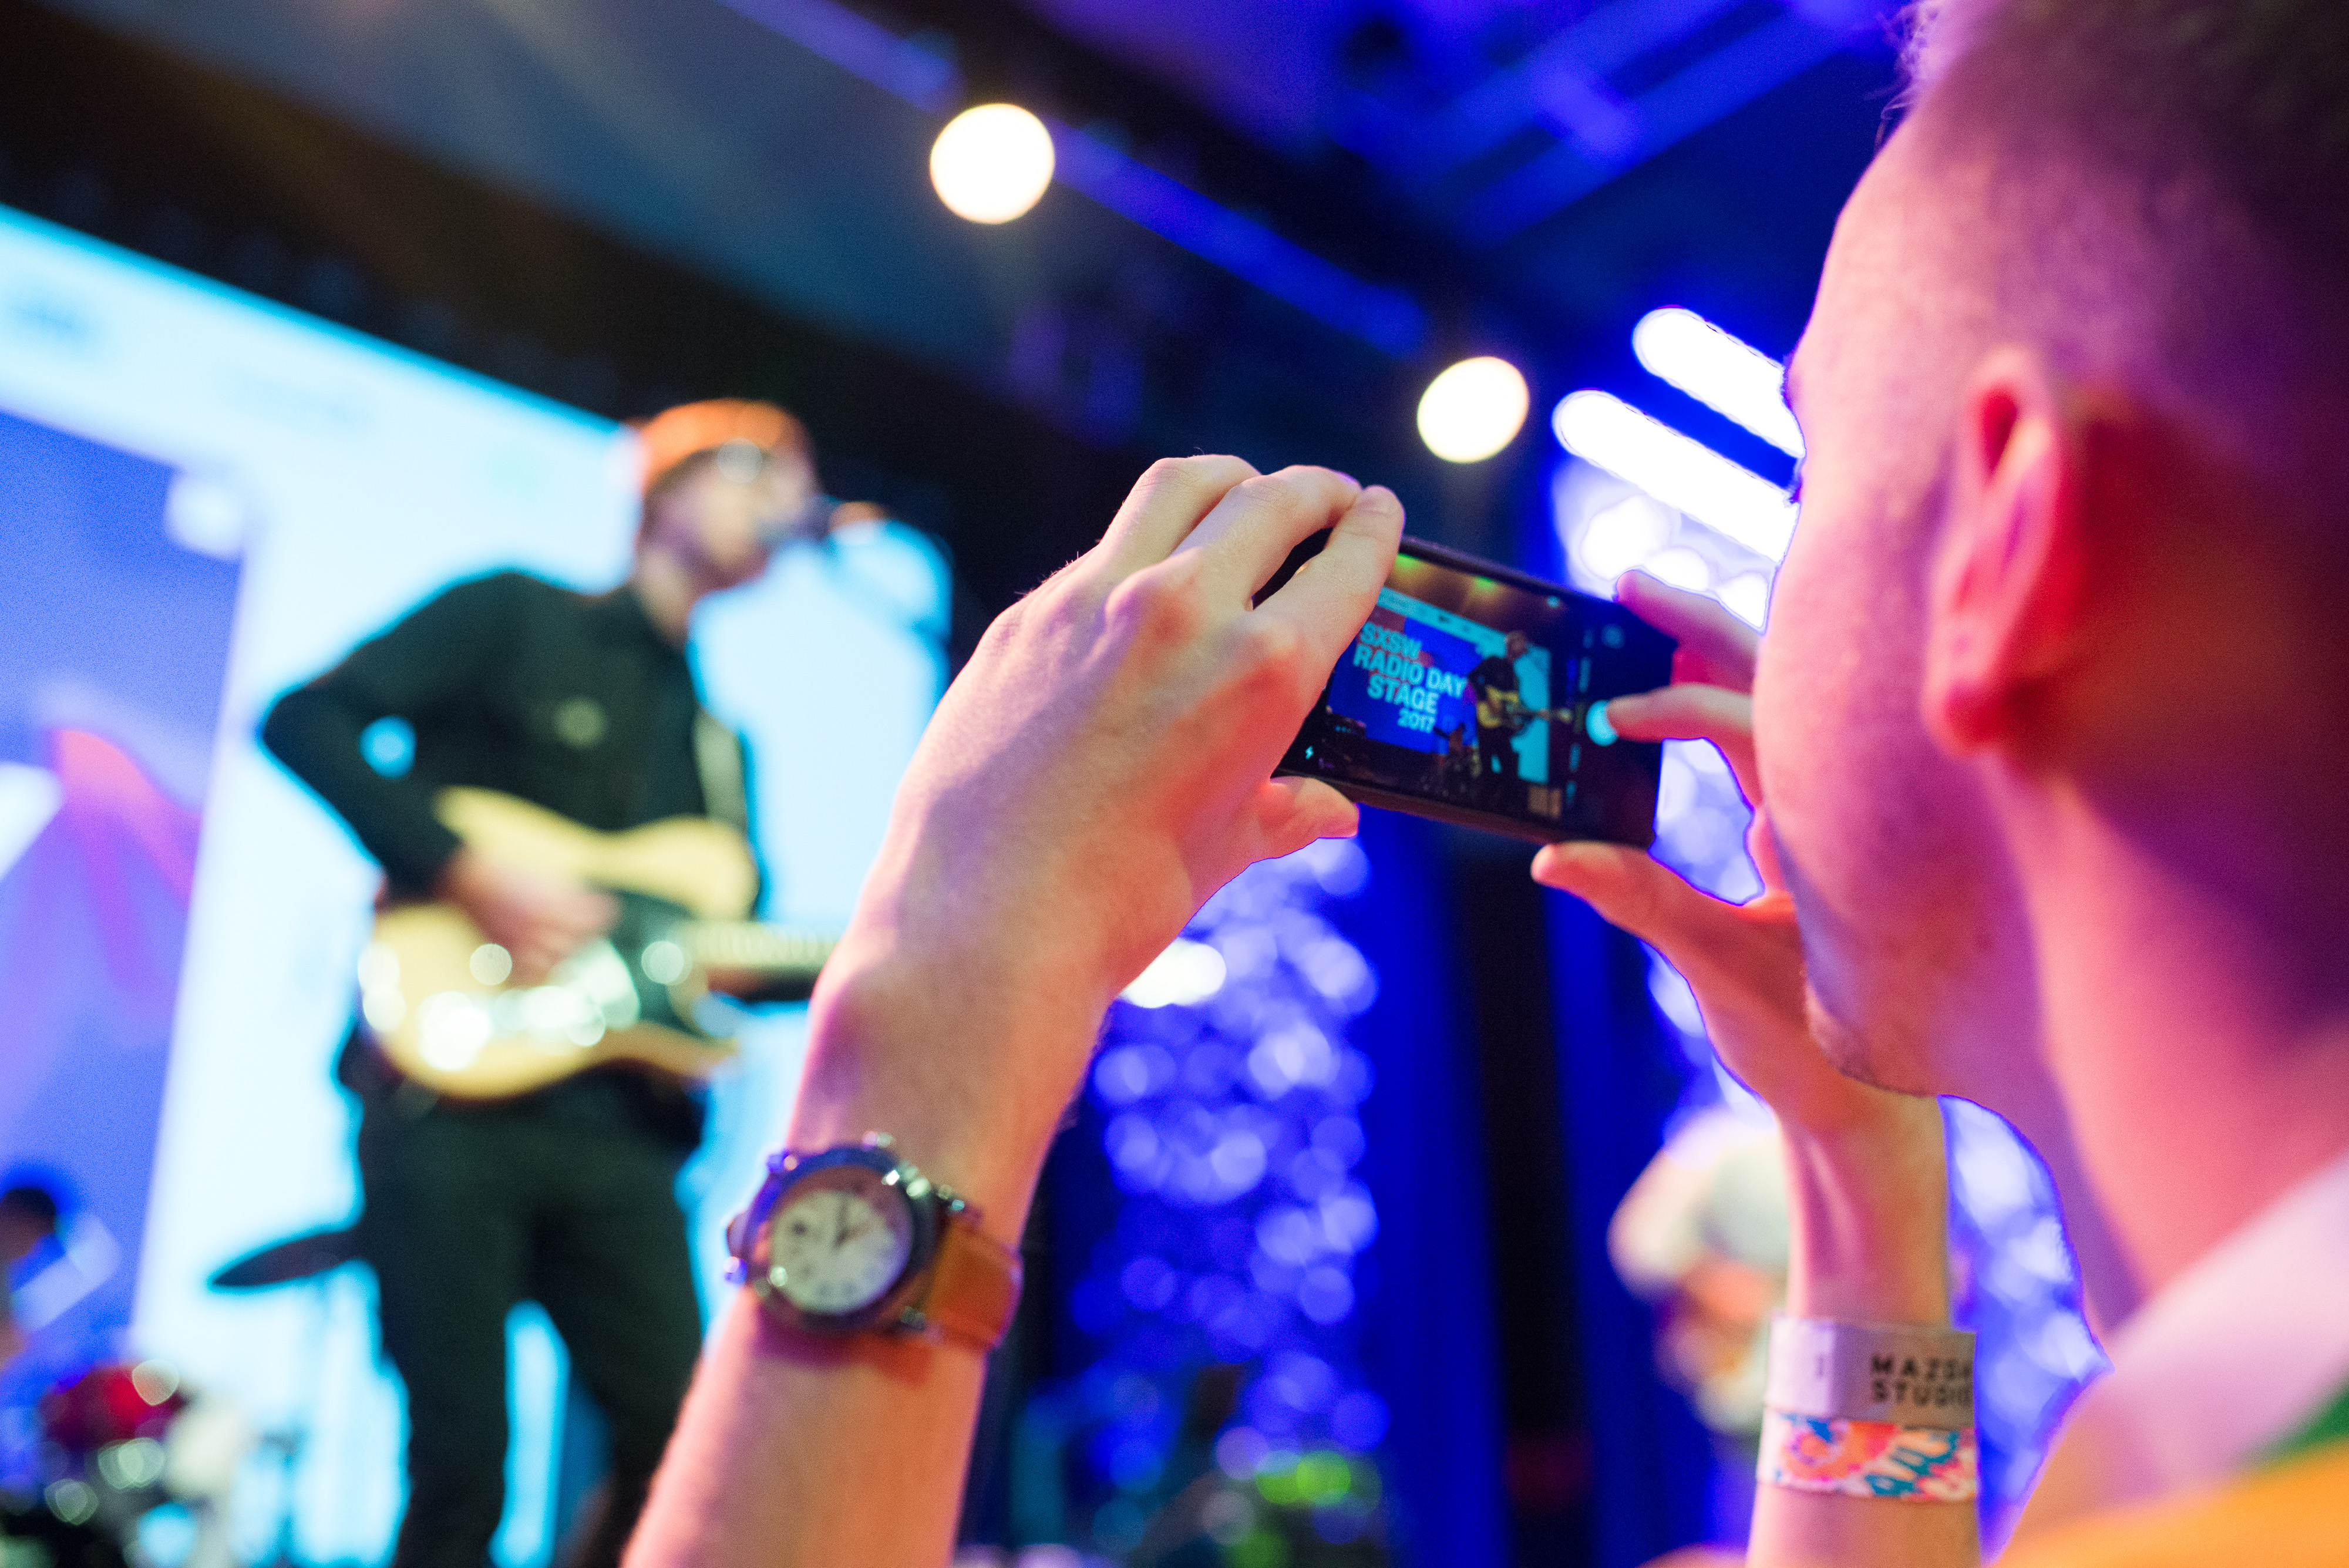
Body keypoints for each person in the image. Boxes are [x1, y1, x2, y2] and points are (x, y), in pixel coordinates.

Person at [623, 0, 2349, 1560]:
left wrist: (924, 1026)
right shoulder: (2222, 1442)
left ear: (2006, 543)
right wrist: (1857, 1169)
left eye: (1809, 470)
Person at [263, 399, 824, 1568]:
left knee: (680, 1446)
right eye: (756, 472)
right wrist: (464, 871)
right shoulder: (510, 614)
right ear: (666, 491)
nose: (782, 500)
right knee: (462, 1467)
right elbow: (303, 719)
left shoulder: (721, 748)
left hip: (619, 1137)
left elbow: (722, 958)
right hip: (447, 1107)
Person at [1468, 630, 1536, 795]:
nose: (1524, 647)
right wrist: (1487, 699)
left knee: (1510, 774)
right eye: (1521, 643)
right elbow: (1473, 676)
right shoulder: (1493, 662)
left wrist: (1520, 724)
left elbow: (1512, 708)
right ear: (1511, 644)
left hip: (1503, 731)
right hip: (1486, 725)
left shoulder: (1516, 678)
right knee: (1487, 771)